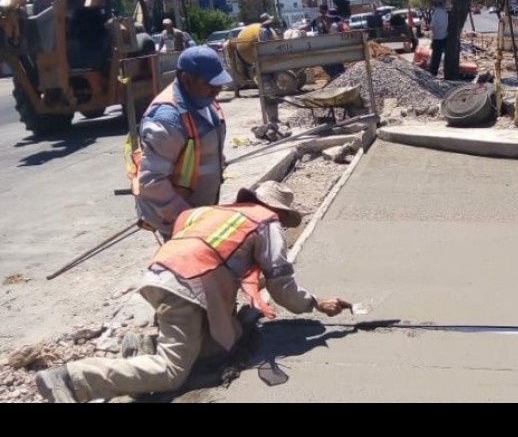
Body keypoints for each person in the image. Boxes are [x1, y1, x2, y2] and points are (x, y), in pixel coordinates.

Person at [34, 181, 352, 403]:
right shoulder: (266, 223)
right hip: (188, 286)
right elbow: (281, 286)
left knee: (217, 350)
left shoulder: (211, 211)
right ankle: (73, 379)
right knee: (172, 372)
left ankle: (146, 346)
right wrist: (314, 303)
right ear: (278, 211)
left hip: (163, 276)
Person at [127, 46, 231, 241]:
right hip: (177, 218)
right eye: (210, 84)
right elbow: (152, 182)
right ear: (187, 79)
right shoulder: (167, 120)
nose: (217, 90)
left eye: (219, 83)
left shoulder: (205, 101)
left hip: (201, 210)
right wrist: (188, 219)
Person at [312, 4, 346, 80]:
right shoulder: (335, 24)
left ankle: (336, 77)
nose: (320, 14)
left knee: (325, 62)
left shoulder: (333, 26)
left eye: (321, 11)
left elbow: (328, 32)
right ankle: (338, 75)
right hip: (335, 48)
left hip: (334, 48)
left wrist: (321, 22)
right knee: (334, 63)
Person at [428, 0, 449, 77]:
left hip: (438, 38)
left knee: (435, 58)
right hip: (444, 37)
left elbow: (434, 26)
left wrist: (430, 27)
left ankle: (433, 74)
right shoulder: (444, 12)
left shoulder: (436, 13)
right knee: (438, 57)